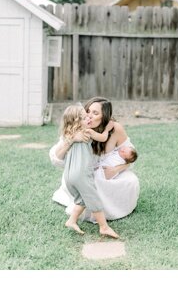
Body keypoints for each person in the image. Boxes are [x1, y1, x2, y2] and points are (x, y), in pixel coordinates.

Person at [51, 97, 140, 222]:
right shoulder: (77, 124)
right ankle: (96, 217)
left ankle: (114, 210)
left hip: (106, 170)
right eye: (88, 111)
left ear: (104, 117)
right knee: (93, 184)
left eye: (95, 113)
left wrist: (116, 169)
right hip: (80, 173)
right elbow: (56, 158)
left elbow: (130, 155)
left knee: (131, 181)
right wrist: (71, 140)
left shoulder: (114, 128)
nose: (89, 116)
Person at [54, 105, 119, 239]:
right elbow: (102, 138)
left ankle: (71, 221)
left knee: (82, 200)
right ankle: (104, 227)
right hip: (81, 174)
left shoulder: (69, 134)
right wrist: (107, 129)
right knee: (93, 199)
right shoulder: (86, 132)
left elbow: (59, 153)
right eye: (84, 117)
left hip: (69, 175)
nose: (88, 118)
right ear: (77, 122)